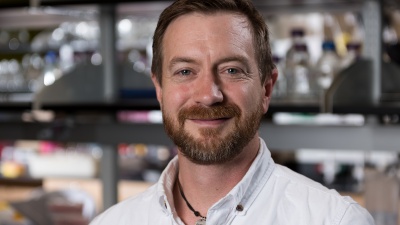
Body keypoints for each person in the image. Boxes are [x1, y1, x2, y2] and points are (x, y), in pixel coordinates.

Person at [90, 0, 375, 224]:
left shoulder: (334, 220)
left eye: (231, 70)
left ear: (266, 89)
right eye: (185, 71)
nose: (208, 95)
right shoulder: (112, 222)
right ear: (160, 91)